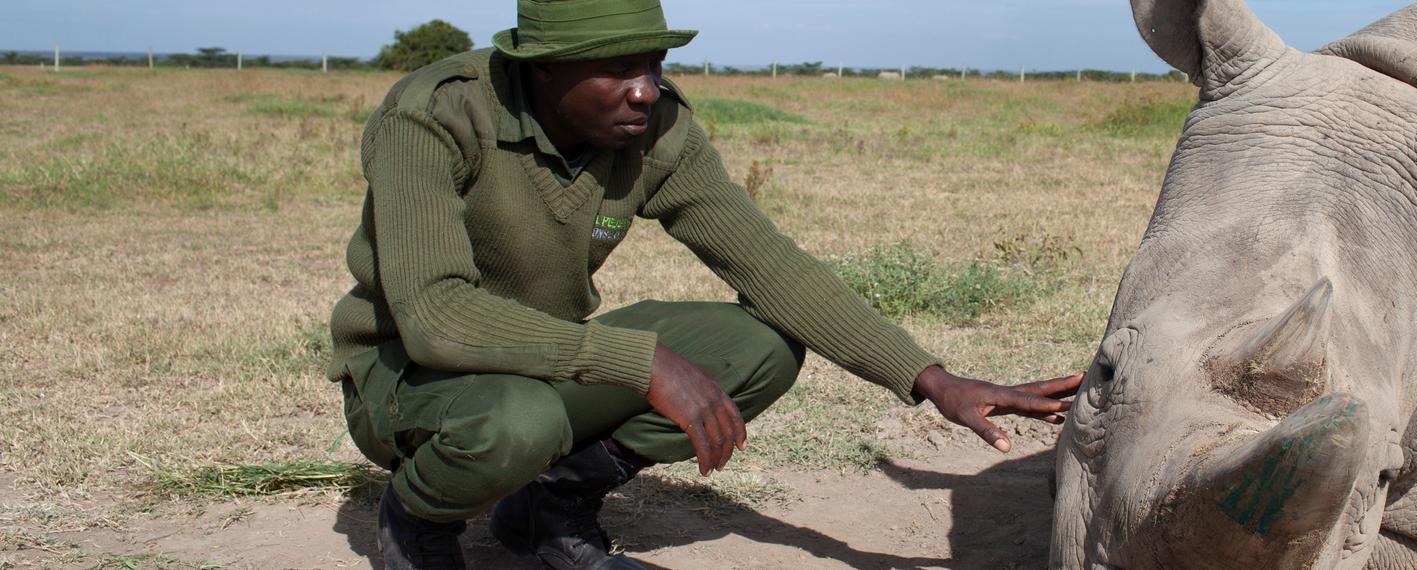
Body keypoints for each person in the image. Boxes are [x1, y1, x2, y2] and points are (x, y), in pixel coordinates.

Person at [326, 0, 1083, 568]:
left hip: (542, 361)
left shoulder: (655, 132)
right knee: (516, 421)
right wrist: (642, 362)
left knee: (758, 345)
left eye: (653, 64)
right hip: (410, 376)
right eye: (620, 69)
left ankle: (549, 508)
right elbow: (436, 316)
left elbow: (769, 264)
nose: (646, 91)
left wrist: (930, 379)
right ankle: (416, 519)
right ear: (542, 68)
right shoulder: (435, 116)